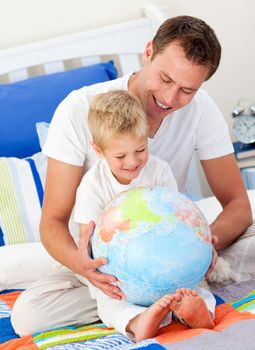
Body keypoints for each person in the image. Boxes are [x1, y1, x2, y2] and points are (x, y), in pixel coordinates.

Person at [11, 15, 252, 336]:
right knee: (28, 316)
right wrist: (85, 265)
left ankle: (169, 297)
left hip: (169, 248)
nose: (169, 98)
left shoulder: (201, 110)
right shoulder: (79, 110)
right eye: (165, 79)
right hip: (97, 261)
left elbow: (238, 204)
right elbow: (52, 221)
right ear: (149, 52)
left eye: (186, 90)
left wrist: (202, 246)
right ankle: (160, 303)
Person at [73, 89, 215, 341]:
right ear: (98, 150)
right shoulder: (92, 185)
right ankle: (138, 321)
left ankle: (197, 313)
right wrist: (96, 273)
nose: (133, 162)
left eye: (140, 150)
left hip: (166, 264)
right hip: (121, 276)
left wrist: (201, 245)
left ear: (147, 137)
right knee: (109, 302)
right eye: (120, 156)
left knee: (196, 287)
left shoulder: (159, 170)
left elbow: (177, 217)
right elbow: (87, 239)